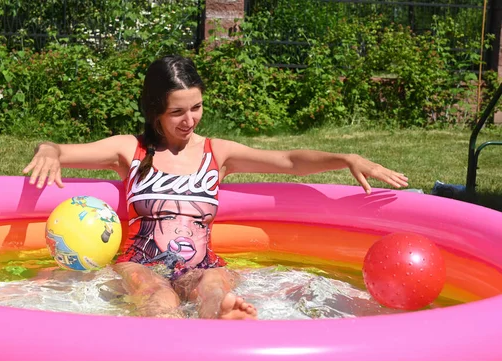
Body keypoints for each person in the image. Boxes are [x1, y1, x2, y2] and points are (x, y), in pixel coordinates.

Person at [23, 55, 409, 320]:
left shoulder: (216, 153)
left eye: (197, 107)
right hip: (141, 264)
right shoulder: (131, 149)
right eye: (177, 111)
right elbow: (60, 149)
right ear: (154, 110)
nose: (189, 120)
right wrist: (48, 151)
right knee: (158, 297)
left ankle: (223, 325)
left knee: (213, 289)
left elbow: (287, 160)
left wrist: (346, 158)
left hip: (202, 263)